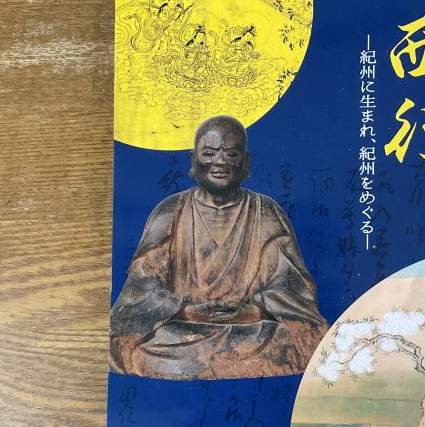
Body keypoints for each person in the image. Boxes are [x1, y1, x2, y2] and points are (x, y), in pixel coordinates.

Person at [110, 115, 329, 380]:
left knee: (291, 339)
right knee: (140, 344)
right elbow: (142, 287)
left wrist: (254, 310)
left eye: (231, 153)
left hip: (250, 329)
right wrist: (185, 309)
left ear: (245, 161)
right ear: (193, 159)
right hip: (182, 328)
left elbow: (290, 287)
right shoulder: (170, 211)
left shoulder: (267, 212)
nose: (220, 161)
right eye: (209, 153)